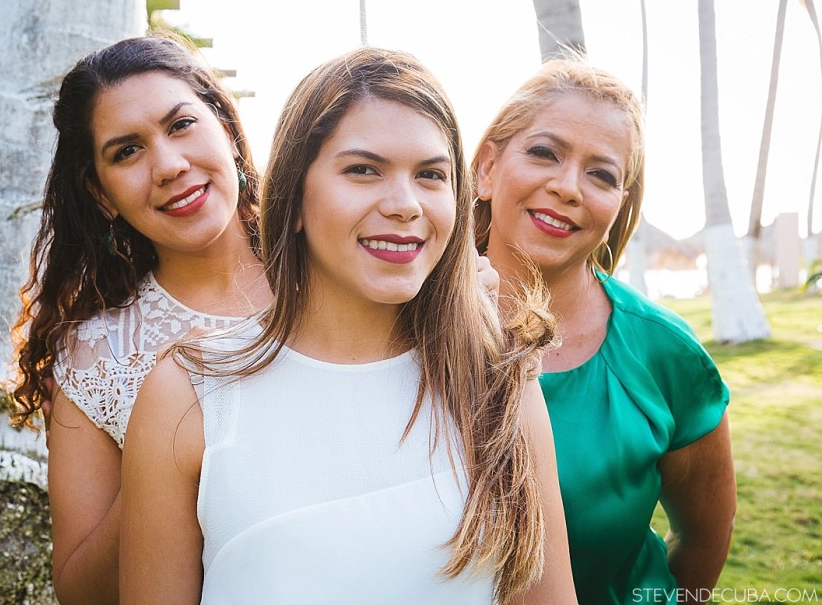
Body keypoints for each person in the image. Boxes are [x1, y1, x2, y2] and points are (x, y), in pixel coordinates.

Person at [120, 46, 577, 604]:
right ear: (292, 201)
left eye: (431, 175)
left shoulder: (498, 378)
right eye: (363, 170)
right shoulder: (187, 393)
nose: (406, 204)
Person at [7, 34, 271, 605]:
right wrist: (160, 459)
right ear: (100, 194)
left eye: (180, 125)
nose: (169, 166)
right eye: (126, 151)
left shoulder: (337, 276)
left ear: (225, 125)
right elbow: (81, 592)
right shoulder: (97, 356)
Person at [472, 58, 736, 604]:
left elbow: (703, 537)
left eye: (602, 174)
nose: (568, 187)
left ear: (620, 204)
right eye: (544, 153)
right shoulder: (396, 324)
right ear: (486, 167)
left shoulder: (664, 353)